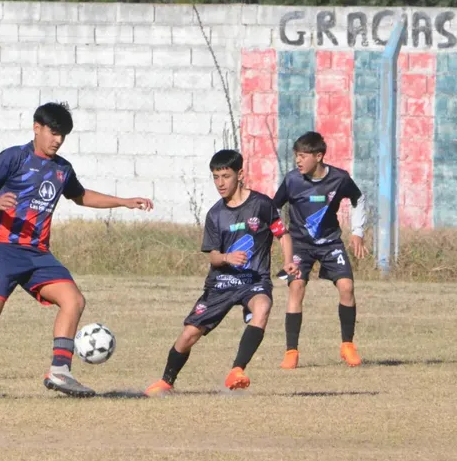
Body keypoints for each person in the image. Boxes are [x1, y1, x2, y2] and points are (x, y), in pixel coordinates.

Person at [0, 102, 153, 400]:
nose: (58, 140)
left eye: (62, 135)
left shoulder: (62, 169)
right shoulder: (14, 157)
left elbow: (81, 196)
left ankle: (60, 371)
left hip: (38, 254)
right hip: (3, 250)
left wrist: (123, 201)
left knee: (74, 300)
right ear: (36, 128)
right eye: (53, 133)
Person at [144, 150, 297, 396]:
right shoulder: (215, 214)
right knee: (189, 335)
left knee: (263, 307)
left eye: (225, 176)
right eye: (216, 177)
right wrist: (227, 257)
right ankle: (166, 381)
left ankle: (237, 370)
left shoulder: (261, 204)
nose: (220, 183)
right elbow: (213, 257)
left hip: (253, 280)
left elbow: (283, 234)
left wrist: (289, 262)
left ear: (240, 174)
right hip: (222, 282)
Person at [272, 131, 367, 369]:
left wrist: (357, 231)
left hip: (330, 243)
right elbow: (273, 207)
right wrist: (281, 235)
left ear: (319, 156)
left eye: (303, 156)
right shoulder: (292, 180)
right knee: (296, 287)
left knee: (347, 286)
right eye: (296, 155)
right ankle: (291, 352)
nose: (298, 161)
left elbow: (358, 199)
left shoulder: (339, 179)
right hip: (300, 244)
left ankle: (347, 345)